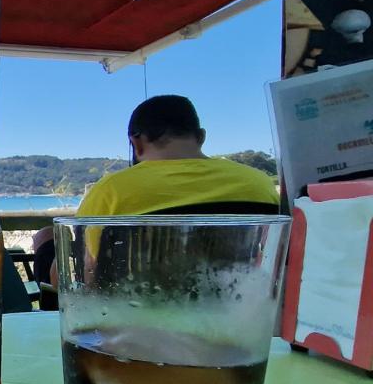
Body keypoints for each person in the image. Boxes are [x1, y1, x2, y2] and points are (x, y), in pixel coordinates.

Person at [47, 95, 280, 285]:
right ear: (201, 137)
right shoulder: (258, 183)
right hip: (237, 318)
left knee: (47, 242)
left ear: (136, 143)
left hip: (133, 324)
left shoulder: (112, 191)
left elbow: (77, 277)